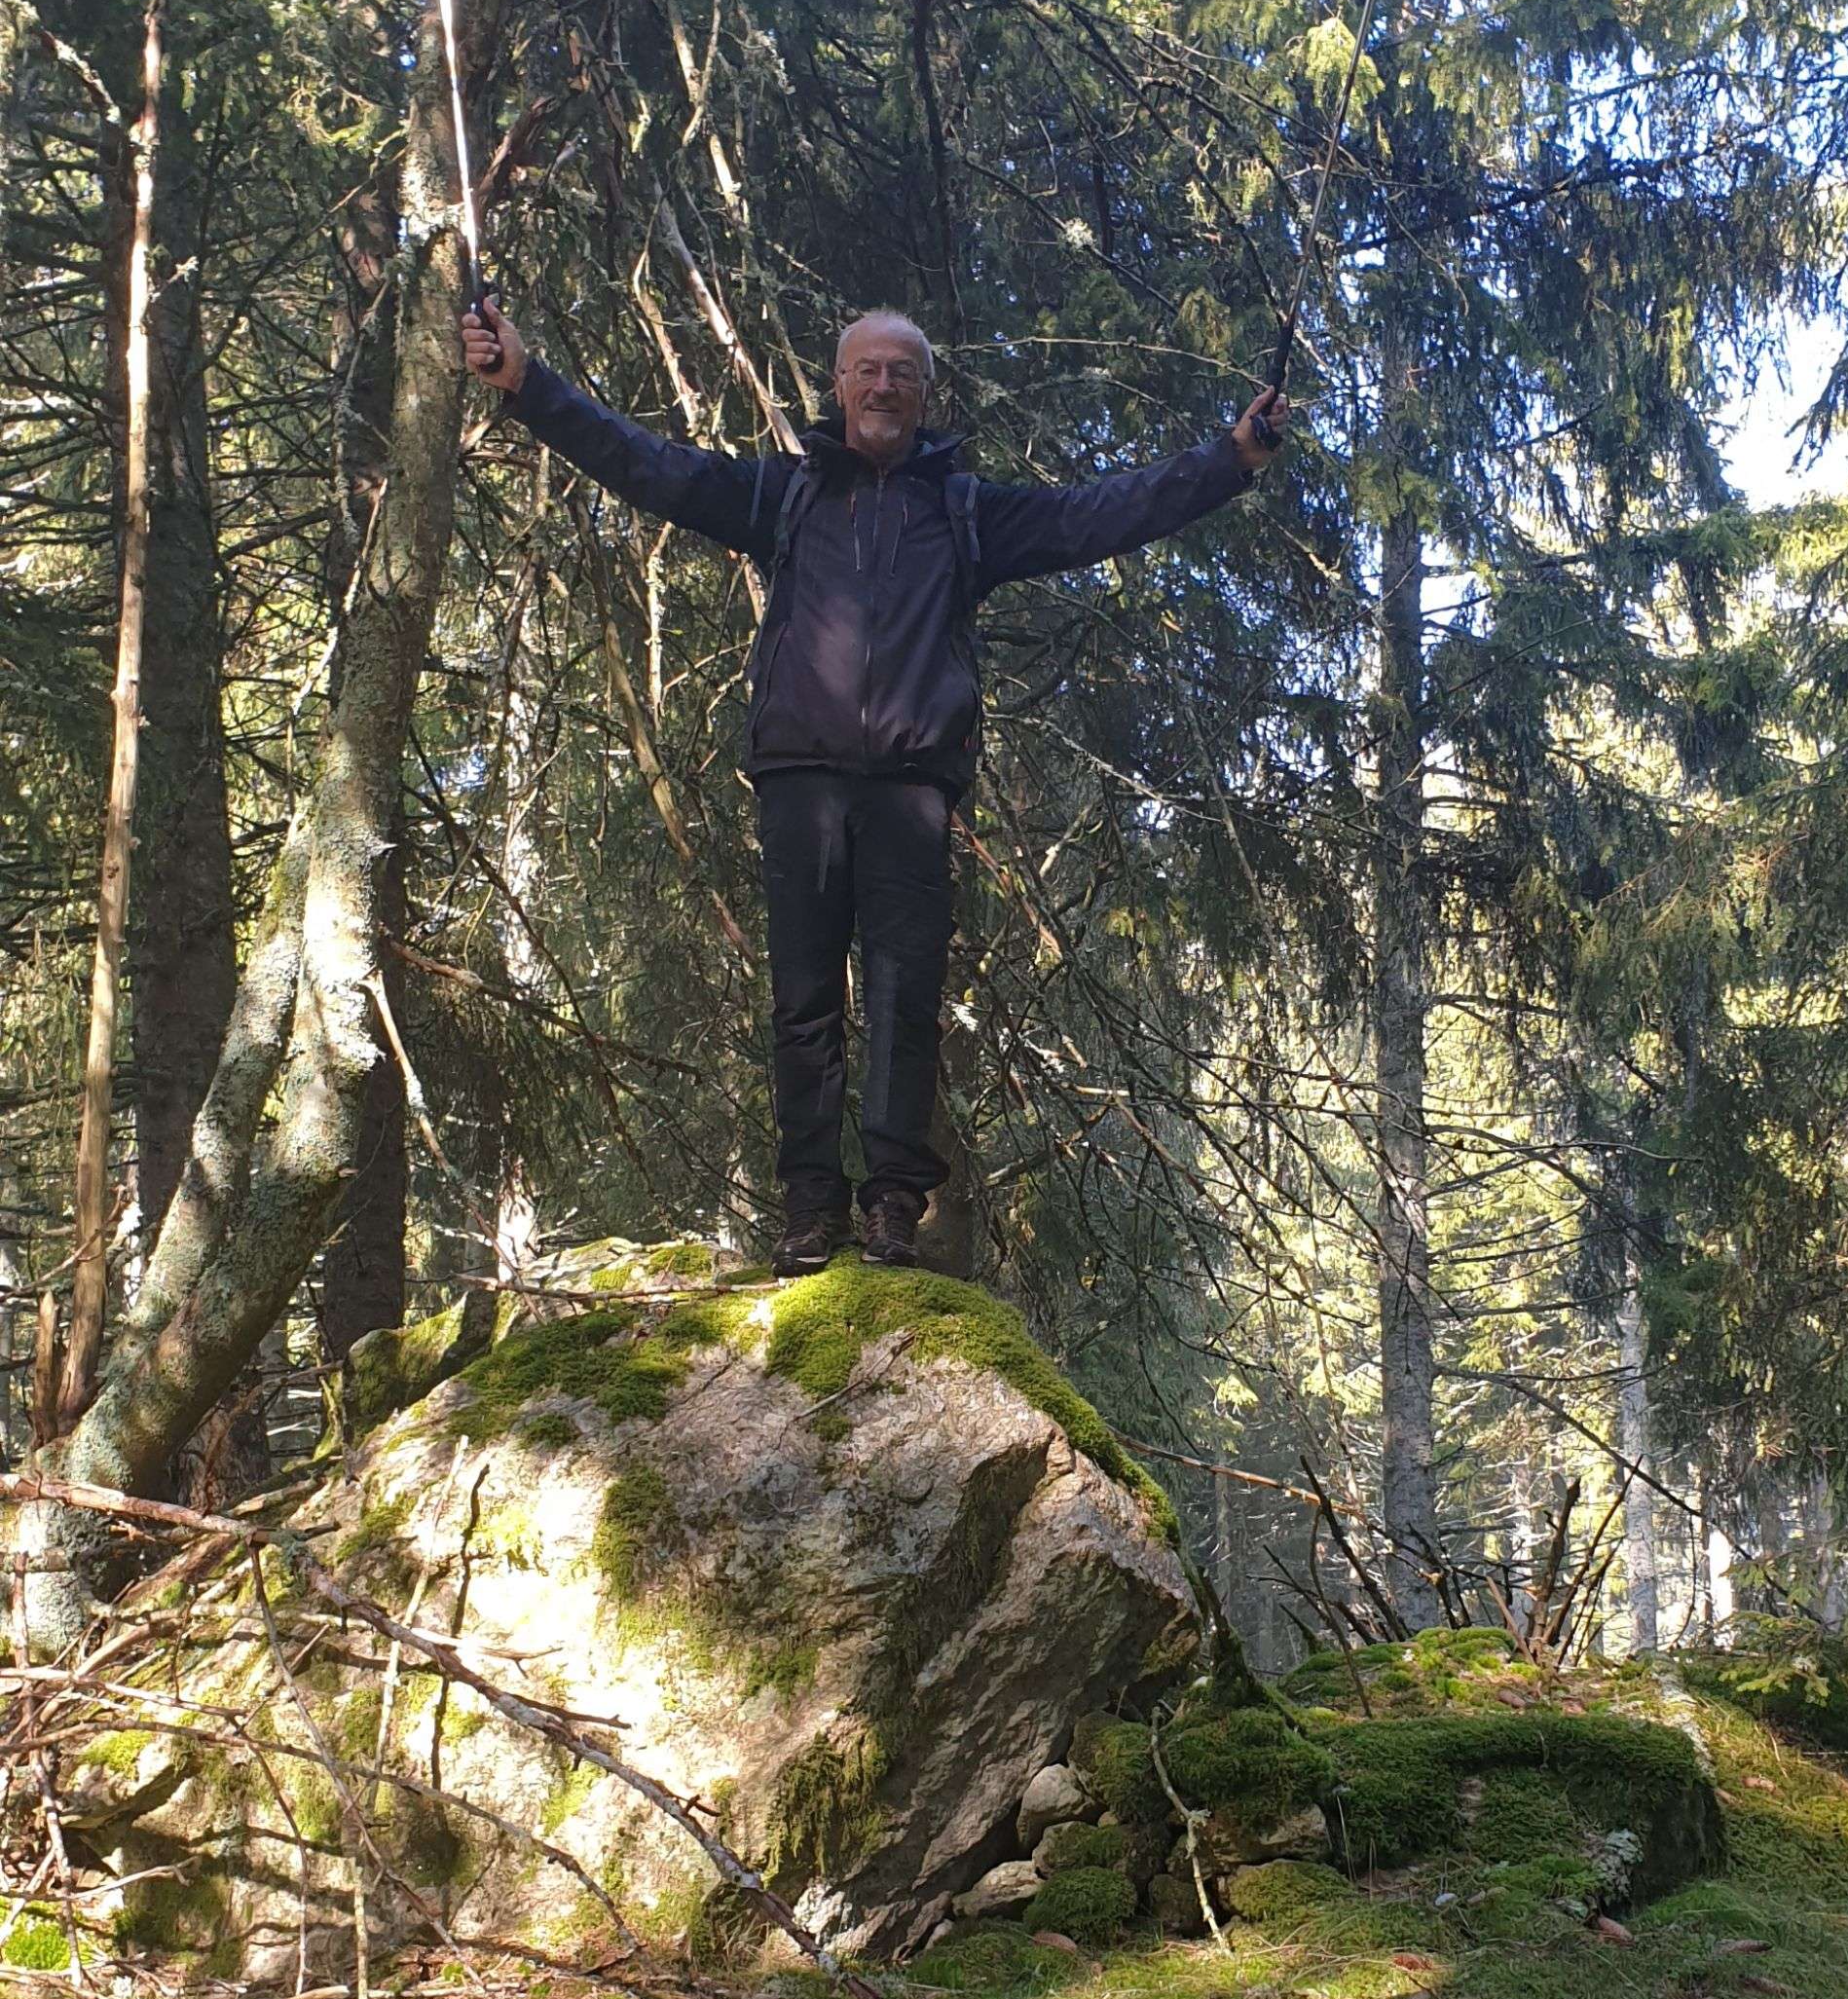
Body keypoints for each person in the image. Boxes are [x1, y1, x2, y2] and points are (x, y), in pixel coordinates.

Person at [462, 298, 1284, 1273]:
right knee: (802, 1002)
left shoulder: (967, 513)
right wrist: (527, 384)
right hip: (800, 784)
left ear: (926, 393)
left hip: (911, 790)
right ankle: (810, 1208)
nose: (884, 385)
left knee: (904, 999)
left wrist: (1231, 458)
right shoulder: (782, 495)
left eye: (902, 371)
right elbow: (648, 464)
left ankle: (893, 1203)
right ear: (839, 386)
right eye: (868, 370)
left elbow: (1100, 512)